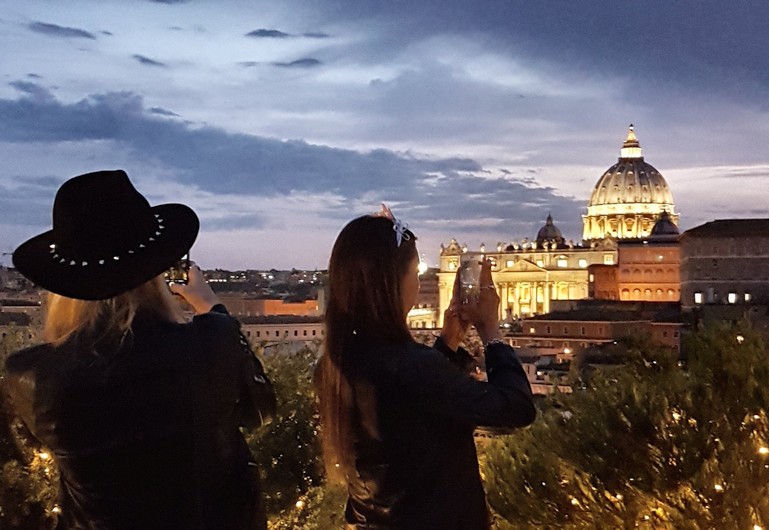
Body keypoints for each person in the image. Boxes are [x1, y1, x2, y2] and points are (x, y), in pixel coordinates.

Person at [2, 170, 276, 529]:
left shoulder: (31, 376)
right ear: (154, 270)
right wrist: (212, 307)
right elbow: (261, 410)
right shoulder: (209, 344)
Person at [316, 207, 536, 530]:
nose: (420, 283)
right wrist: (492, 332)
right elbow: (516, 407)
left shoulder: (333, 365)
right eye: (416, 272)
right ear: (392, 282)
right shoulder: (409, 366)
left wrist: (447, 344)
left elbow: (409, 415)